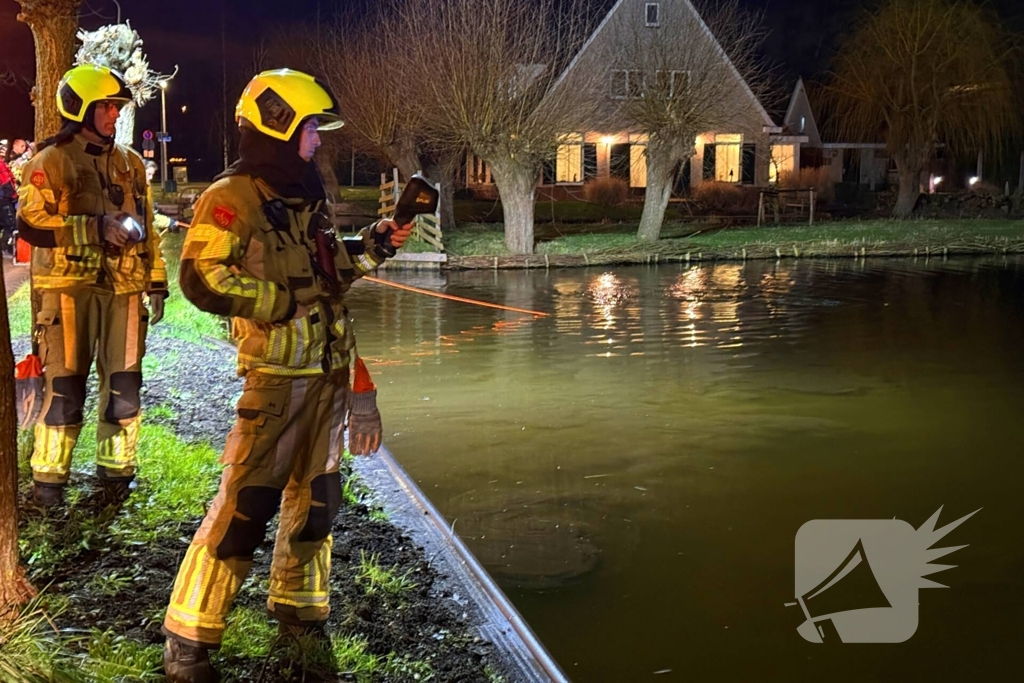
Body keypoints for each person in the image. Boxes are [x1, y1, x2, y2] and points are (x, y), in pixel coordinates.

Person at [161, 68, 412, 682]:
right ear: (278, 123)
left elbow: (332, 271)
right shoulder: (232, 196)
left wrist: (378, 242)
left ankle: (299, 609)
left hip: (327, 376)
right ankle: (189, 638)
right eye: (310, 128)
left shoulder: (305, 197)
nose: (318, 141)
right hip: (275, 380)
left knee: (318, 500)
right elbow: (202, 278)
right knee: (246, 506)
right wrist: (278, 303)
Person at [16, 64, 168, 506]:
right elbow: (32, 224)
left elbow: (149, 229)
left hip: (124, 290)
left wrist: (156, 282)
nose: (112, 115)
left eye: (116, 107)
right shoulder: (50, 161)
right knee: (64, 388)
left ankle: (116, 478)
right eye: (103, 106)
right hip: (66, 289)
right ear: (78, 108)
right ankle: (49, 486)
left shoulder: (131, 164)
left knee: (125, 385)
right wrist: (94, 227)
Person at [144, 160, 185, 233]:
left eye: (152, 174)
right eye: (148, 174)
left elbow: (151, 214)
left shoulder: (147, 187)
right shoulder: (134, 190)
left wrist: (170, 222)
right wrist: (169, 222)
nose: (151, 178)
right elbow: (148, 217)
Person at [0, 154, 15, 255]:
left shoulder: (2, 163)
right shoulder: (1, 164)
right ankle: (4, 247)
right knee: (10, 223)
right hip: (4, 198)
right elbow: (6, 180)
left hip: (5, 197)